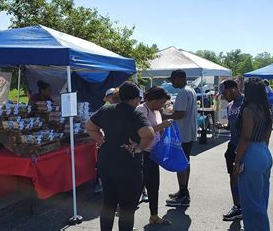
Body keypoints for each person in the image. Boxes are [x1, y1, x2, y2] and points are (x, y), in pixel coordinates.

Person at [85, 81, 155, 231]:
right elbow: (149, 134)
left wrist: (102, 140)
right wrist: (138, 148)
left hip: (107, 162)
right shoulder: (134, 113)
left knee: (108, 204)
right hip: (128, 164)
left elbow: (89, 127)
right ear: (135, 99)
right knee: (127, 208)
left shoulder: (106, 110)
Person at [234, 77, 273, 231]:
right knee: (262, 198)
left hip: (252, 154)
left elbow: (245, 137)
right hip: (264, 151)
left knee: (251, 201)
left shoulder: (249, 110)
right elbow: (268, 135)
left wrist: (237, 161)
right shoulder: (265, 109)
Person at [136, 86, 173, 225]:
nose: (162, 105)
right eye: (161, 102)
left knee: (154, 185)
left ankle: (154, 215)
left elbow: (156, 131)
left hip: (154, 152)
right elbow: (142, 132)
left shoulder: (156, 111)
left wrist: (162, 132)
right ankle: (127, 218)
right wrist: (161, 126)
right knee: (139, 186)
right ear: (154, 100)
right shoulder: (141, 110)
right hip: (143, 152)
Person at [163, 70, 198, 207]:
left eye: (173, 79)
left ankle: (183, 195)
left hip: (183, 133)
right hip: (189, 132)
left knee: (180, 163)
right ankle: (183, 191)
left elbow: (180, 114)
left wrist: (163, 115)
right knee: (185, 162)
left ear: (181, 78)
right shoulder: (191, 90)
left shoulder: (184, 92)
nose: (171, 82)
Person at [214, 79, 244, 221]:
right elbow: (233, 126)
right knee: (233, 176)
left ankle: (246, 207)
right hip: (232, 146)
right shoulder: (230, 106)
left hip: (245, 146)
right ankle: (237, 207)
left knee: (245, 178)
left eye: (224, 93)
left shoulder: (246, 103)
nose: (223, 97)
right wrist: (224, 126)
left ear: (233, 89)